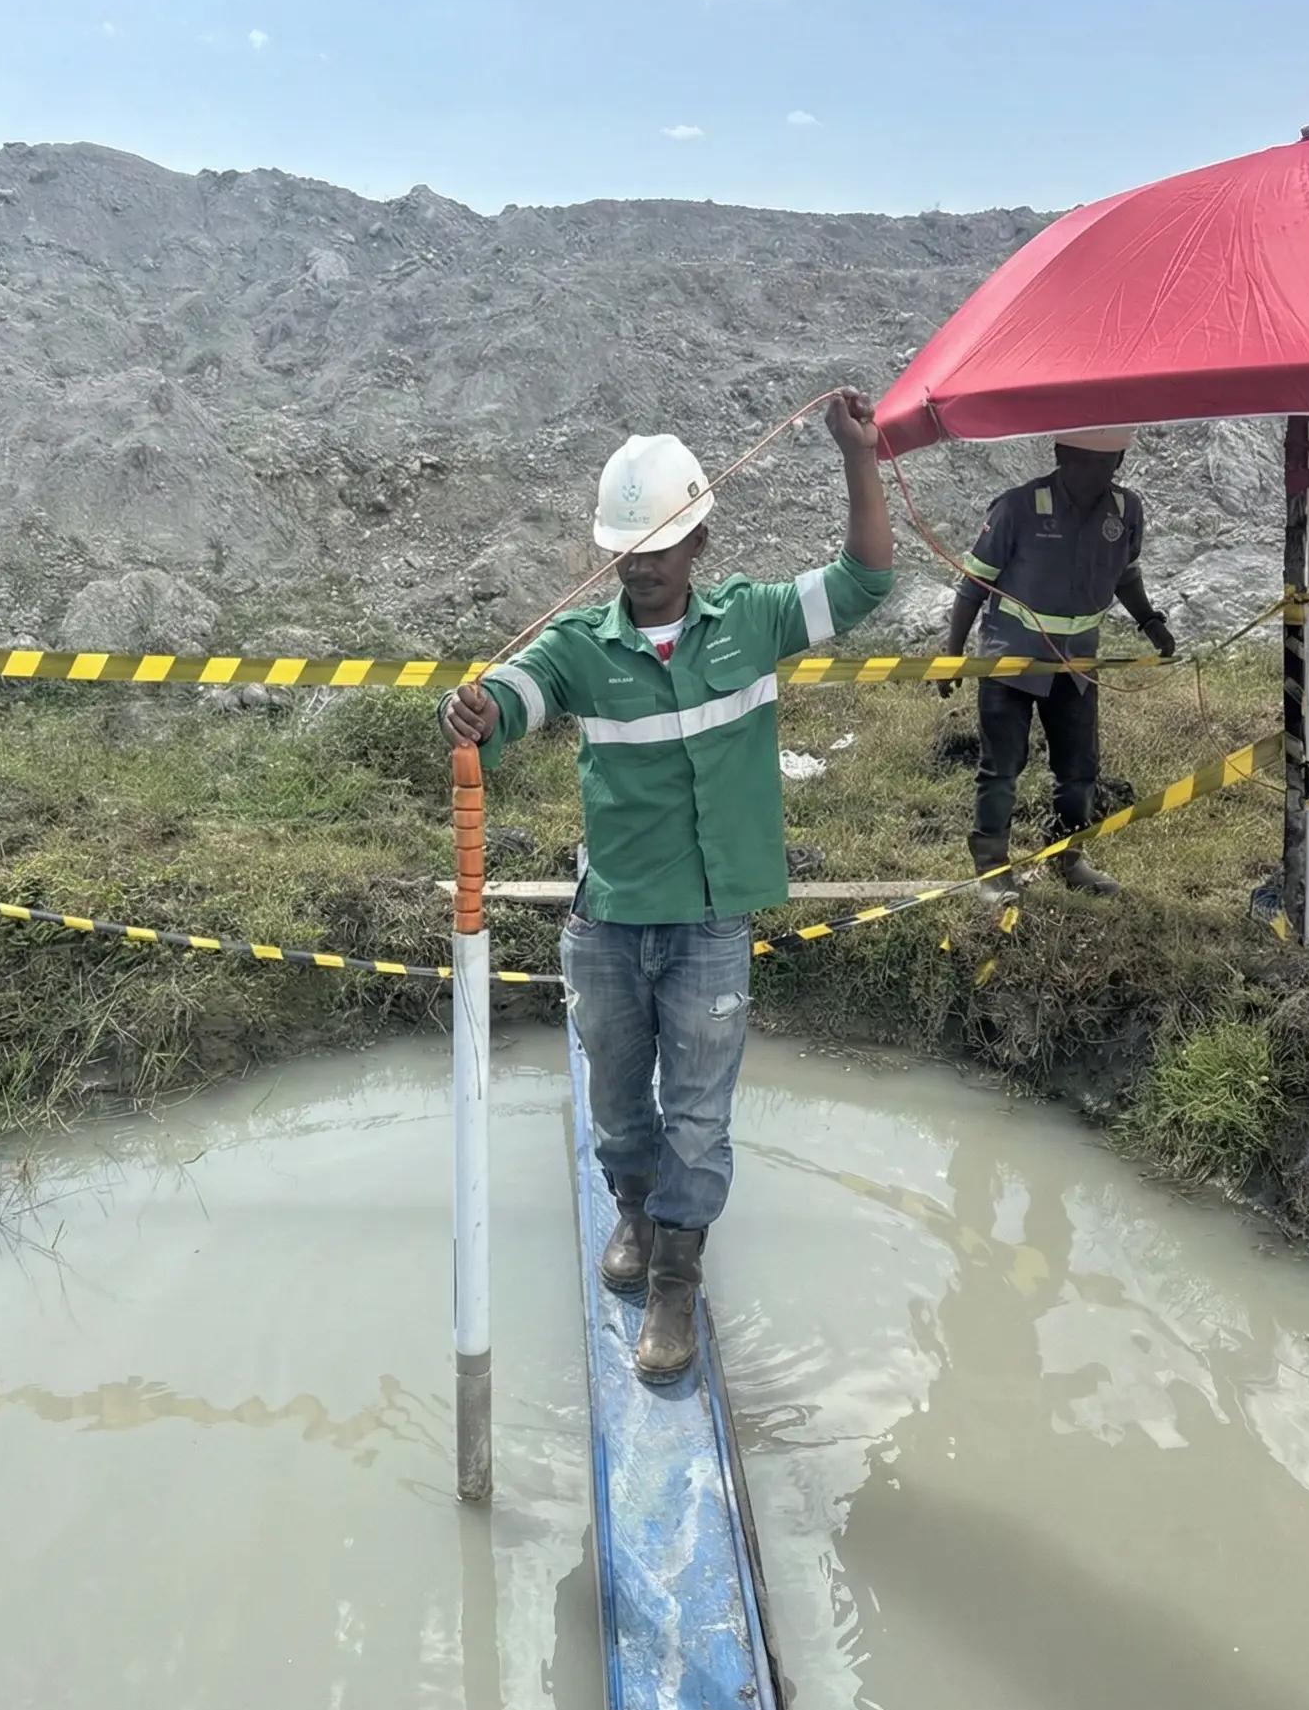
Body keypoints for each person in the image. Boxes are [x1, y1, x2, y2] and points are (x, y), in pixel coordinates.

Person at [440, 394, 894, 1382]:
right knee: (616, 1102)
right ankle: (635, 1217)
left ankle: (677, 1276)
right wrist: (478, 709)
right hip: (608, 927)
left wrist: (859, 459)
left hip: (708, 927)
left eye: (661, 545)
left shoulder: (754, 623)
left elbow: (865, 581)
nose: (641, 565)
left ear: (698, 541)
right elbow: (515, 699)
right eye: (626, 550)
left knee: (698, 1111)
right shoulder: (578, 647)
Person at [938, 429, 1174, 901]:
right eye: (1085, 461)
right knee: (1002, 766)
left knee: (1079, 770)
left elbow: (1124, 572)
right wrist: (952, 654)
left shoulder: (1125, 512)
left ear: (1121, 461)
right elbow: (973, 585)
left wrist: (1149, 620)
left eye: (1107, 462)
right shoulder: (1018, 508)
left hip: (1077, 664)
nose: (1096, 473)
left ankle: (1067, 857)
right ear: (1061, 454)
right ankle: (992, 869)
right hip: (1010, 659)